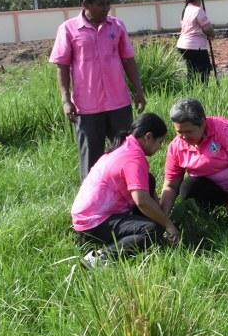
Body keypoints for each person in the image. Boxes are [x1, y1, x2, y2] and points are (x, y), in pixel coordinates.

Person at [50, 0, 146, 179]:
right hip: (87, 107)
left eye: (108, 3)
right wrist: (66, 100)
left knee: (125, 154)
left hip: (119, 103)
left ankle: (127, 200)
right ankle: (92, 205)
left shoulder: (116, 26)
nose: (106, 8)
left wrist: (138, 90)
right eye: (101, 4)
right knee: (91, 161)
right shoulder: (68, 29)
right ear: (85, 4)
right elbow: (62, 66)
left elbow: (128, 61)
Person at [72, 113, 180, 268]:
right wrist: (167, 224)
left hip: (88, 216)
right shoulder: (134, 158)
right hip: (93, 223)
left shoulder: (125, 145)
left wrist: (162, 217)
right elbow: (141, 200)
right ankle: (99, 258)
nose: (160, 148)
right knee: (152, 230)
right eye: (160, 142)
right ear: (148, 137)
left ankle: (150, 227)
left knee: (148, 179)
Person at [160, 98, 228, 218]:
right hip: (214, 188)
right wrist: (163, 218)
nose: (184, 137)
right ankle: (220, 214)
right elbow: (171, 186)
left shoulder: (223, 128)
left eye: (189, 131)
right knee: (188, 188)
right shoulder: (175, 147)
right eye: (179, 132)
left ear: (203, 124)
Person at [177, 0, 215, 84]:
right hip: (195, 46)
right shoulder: (198, 10)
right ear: (198, 0)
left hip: (183, 45)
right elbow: (207, 28)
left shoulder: (185, 10)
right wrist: (212, 35)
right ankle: (203, 90)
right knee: (205, 68)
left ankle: (191, 90)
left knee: (191, 70)